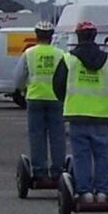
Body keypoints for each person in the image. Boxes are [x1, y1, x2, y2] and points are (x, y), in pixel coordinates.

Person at [52, 21, 108, 204]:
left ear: (78, 36)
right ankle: (102, 191)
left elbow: (58, 85)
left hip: (77, 115)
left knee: (80, 155)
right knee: (102, 154)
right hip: (101, 116)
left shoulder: (69, 60)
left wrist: (68, 100)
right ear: (95, 35)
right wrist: (106, 100)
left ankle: (84, 192)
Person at [14, 21, 66, 181]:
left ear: (36, 36)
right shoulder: (60, 54)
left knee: (36, 136)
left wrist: (23, 89)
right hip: (55, 99)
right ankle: (58, 171)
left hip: (35, 98)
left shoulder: (29, 53)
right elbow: (66, 77)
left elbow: (18, 78)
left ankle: (39, 171)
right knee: (57, 135)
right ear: (51, 37)